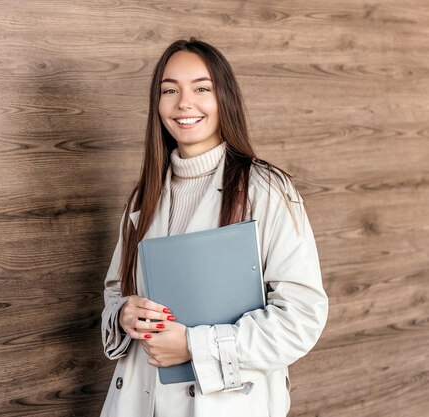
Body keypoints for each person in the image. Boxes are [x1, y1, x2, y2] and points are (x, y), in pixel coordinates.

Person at [99, 38, 328, 417]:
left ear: (225, 99)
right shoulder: (144, 195)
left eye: (201, 88)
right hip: (137, 402)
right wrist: (125, 314)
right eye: (169, 90)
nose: (183, 103)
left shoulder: (265, 188)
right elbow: (114, 292)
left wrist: (195, 346)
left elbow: (300, 318)